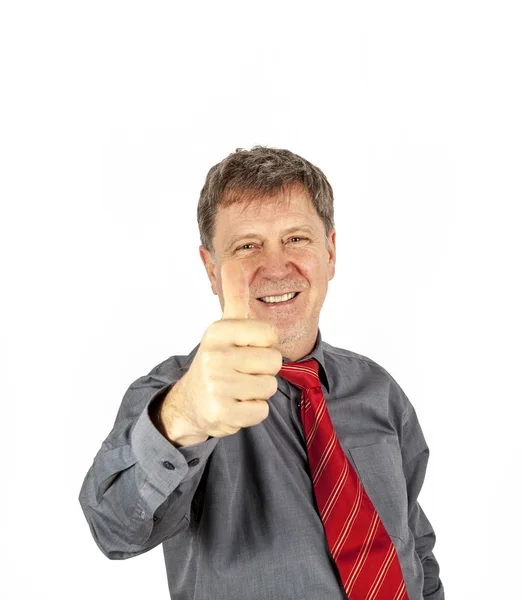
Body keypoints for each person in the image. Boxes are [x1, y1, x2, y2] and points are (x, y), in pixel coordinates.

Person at [79, 146, 444, 599]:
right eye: (247, 246)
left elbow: (414, 544)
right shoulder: (174, 396)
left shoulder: (378, 390)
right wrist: (183, 419)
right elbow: (113, 529)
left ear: (330, 253)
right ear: (211, 269)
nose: (275, 267)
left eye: (296, 239)